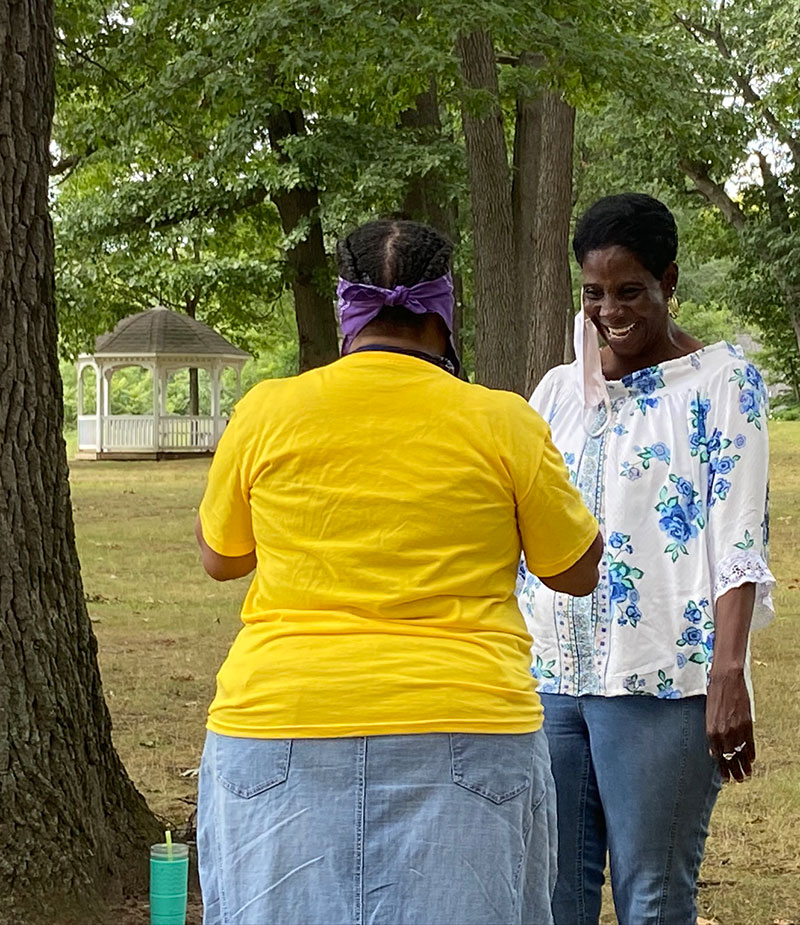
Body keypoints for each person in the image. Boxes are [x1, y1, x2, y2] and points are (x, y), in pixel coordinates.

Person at [194, 218, 603, 925]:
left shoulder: (267, 410)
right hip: (468, 726)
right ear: (446, 311)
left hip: (280, 723)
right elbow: (574, 569)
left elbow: (222, 557)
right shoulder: (502, 421)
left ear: (346, 312)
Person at [517, 192, 775, 925]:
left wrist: (728, 675)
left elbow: (738, 541)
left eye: (630, 291)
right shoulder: (560, 391)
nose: (610, 311)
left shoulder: (723, 385)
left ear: (669, 280)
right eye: (594, 293)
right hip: (551, 681)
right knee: (553, 896)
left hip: (663, 683)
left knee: (653, 898)